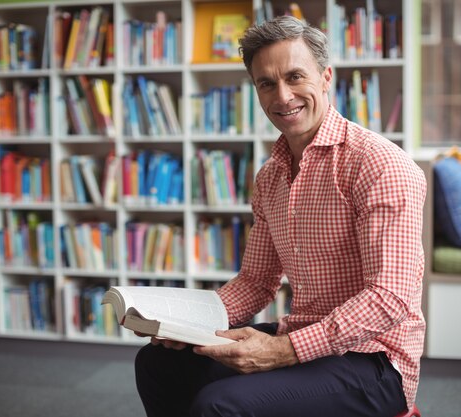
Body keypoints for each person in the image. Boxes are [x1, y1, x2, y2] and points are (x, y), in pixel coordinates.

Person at [135, 15, 426, 417]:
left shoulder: (379, 165)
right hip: (304, 336)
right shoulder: (271, 175)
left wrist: (284, 351)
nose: (283, 96)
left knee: (219, 404)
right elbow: (256, 282)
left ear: (326, 77)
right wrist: (182, 324)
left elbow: (388, 299)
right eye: (266, 83)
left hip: (375, 360)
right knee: (159, 364)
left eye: (295, 77)